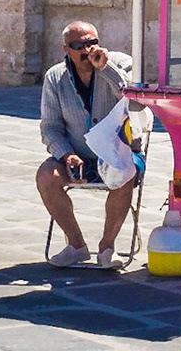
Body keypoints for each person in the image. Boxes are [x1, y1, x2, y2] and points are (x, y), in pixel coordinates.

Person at [37, 20, 141, 267]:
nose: (87, 50)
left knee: (124, 173)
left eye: (92, 43)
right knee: (45, 176)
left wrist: (106, 69)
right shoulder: (55, 77)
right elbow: (50, 127)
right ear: (66, 49)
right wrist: (66, 155)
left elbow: (137, 102)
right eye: (79, 45)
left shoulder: (121, 63)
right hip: (78, 155)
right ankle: (76, 245)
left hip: (119, 151)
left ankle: (107, 247)